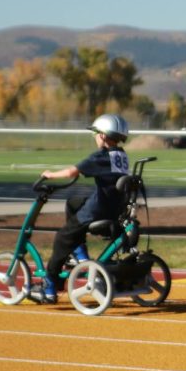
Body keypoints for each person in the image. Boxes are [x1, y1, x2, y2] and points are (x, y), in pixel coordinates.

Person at [39, 114, 130, 303]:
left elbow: (72, 172)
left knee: (62, 238)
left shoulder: (101, 156)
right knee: (73, 202)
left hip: (98, 210)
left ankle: (50, 283)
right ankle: (80, 252)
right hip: (114, 207)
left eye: (95, 134)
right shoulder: (121, 155)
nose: (94, 137)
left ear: (103, 136)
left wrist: (50, 175)